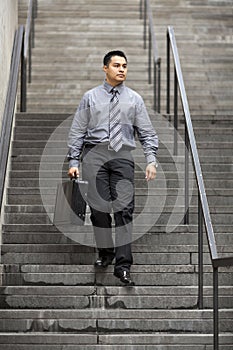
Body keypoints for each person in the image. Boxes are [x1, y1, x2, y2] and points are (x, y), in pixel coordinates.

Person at [67, 50, 158, 286]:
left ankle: (123, 265)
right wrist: (74, 162)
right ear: (105, 68)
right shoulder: (90, 97)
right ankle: (105, 253)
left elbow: (147, 133)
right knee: (98, 208)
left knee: (124, 210)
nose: (122, 69)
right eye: (116, 65)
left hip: (122, 156)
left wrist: (151, 160)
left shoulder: (135, 99)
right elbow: (77, 131)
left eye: (125, 66)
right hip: (93, 155)